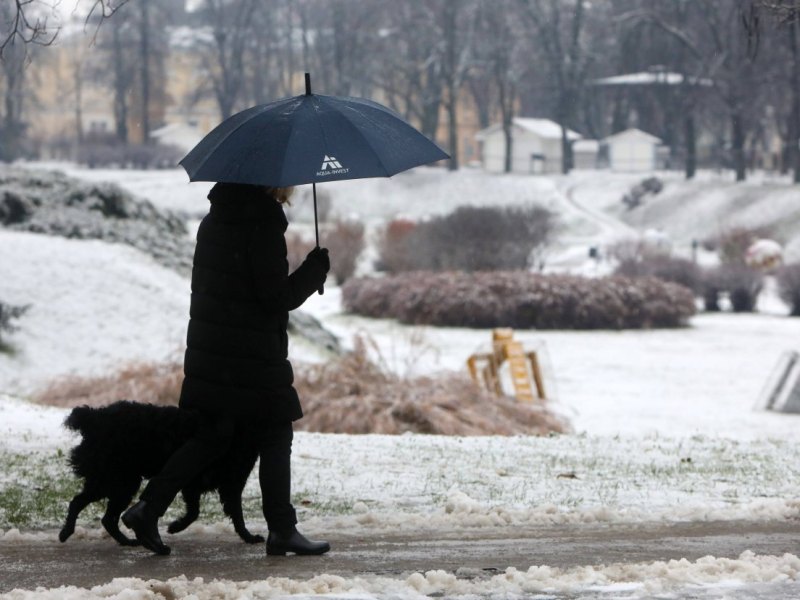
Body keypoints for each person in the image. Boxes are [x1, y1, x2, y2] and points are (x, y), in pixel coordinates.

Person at [122, 182, 331, 557]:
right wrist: (314, 271)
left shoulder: (215, 218)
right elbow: (274, 298)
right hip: (250, 355)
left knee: (213, 435)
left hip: (212, 353)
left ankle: (147, 508)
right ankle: (282, 529)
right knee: (275, 432)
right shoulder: (262, 223)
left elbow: (223, 287)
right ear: (273, 182)